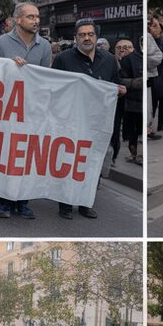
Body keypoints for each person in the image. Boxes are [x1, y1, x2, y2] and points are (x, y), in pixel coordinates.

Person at [51, 18, 126, 219]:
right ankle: (65, 204)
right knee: (69, 162)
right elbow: (53, 87)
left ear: (96, 36)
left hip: (97, 123)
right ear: (75, 38)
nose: (86, 38)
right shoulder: (63, 59)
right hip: (71, 121)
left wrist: (120, 90)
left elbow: (116, 84)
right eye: (82, 35)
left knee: (92, 163)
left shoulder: (109, 60)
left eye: (90, 34)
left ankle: (86, 202)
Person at [0, 2, 52, 220]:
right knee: (6, 155)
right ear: (18, 20)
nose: (36, 20)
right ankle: (4, 202)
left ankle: (24, 201)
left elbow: (46, 78)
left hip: (32, 110)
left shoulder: (44, 46)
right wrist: (9, 66)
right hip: (7, 110)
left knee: (26, 157)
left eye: (37, 17)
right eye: (30, 17)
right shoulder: (0, 43)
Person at [117, 37, 144, 165]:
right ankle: (135, 154)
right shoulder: (128, 60)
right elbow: (120, 80)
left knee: (142, 129)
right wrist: (134, 83)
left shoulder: (149, 58)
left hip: (146, 99)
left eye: (127, 47)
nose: (124, 50)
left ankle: (139, 153)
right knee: (134, 130)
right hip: (133, 102)